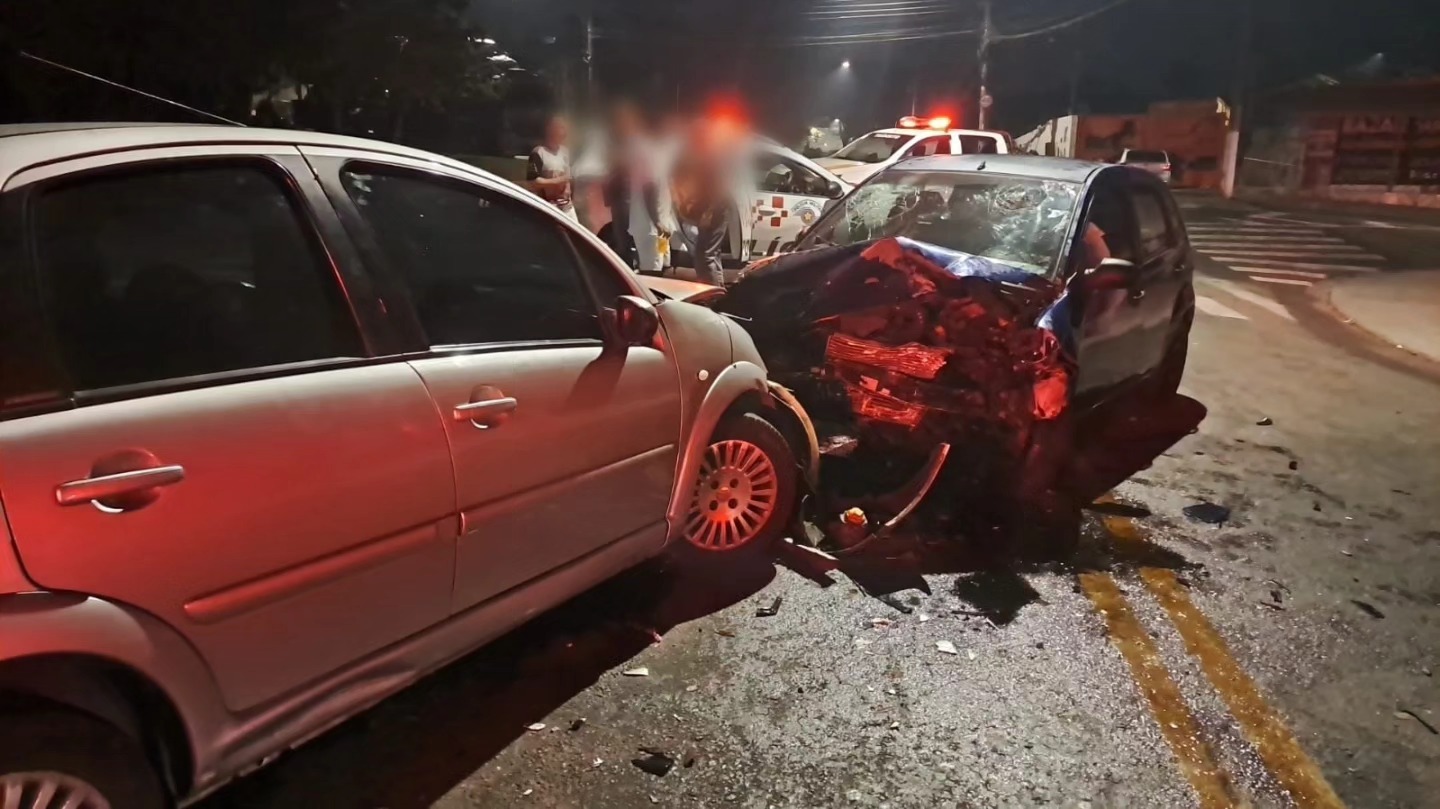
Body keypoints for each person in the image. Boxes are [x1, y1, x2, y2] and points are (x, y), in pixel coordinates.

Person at [607, 102, 674, 274]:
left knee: (662, 264)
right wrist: (658, 221)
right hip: (651, 226)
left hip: (659, 226)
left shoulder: (656, 151)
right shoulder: (647, 151)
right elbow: (649, 187)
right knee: (652, 270)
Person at [526, 114, 576, 221]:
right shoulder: (538, 152)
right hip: (548, 208)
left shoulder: (565, 152)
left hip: (567, 208)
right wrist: (558, 181)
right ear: (550, 129)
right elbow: (533, 182)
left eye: (564, 128)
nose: (563, 132)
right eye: (560, 128)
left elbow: (569, 176)